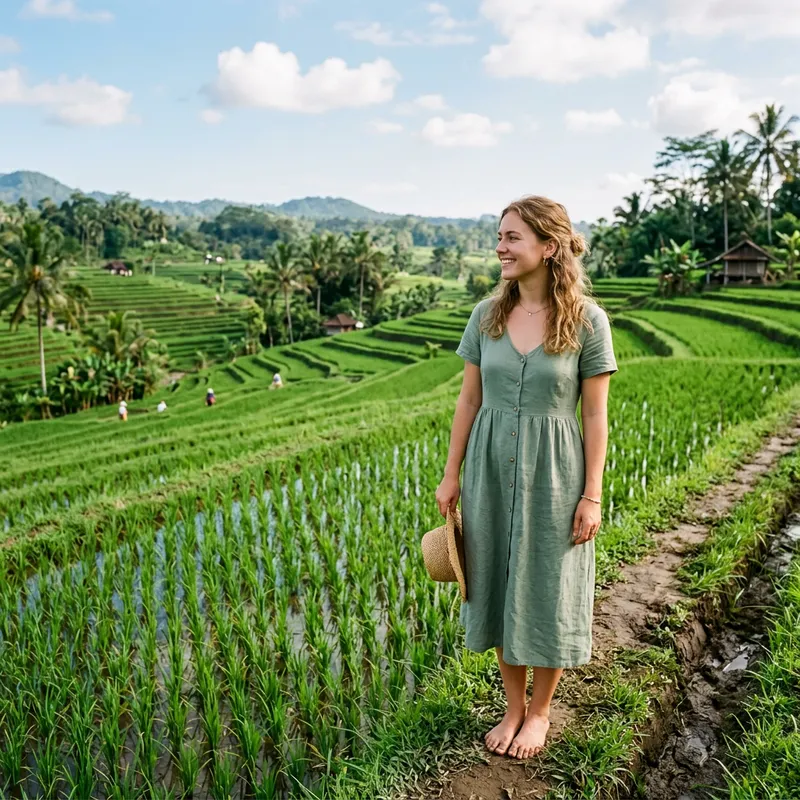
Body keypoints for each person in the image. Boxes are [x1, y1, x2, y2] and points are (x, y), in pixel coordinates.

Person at [435, 196, 618, 761]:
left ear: (549, 245)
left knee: (548, 586)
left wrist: (591, 494)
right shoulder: (486, 315)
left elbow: (594, 415)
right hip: (490, 470)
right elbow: (469, 399)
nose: (501, 248)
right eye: (499, 236)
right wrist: (451, 475)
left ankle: (539, 712)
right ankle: (511, 707)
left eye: (513, 238)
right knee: (496, 579)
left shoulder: (588, 321)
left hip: (556, 476)